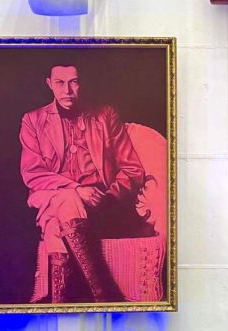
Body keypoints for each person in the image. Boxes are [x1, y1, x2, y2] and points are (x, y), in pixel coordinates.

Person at [19, 63, 152, 303]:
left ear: (82, 83)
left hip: (97, 204)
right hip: (50, 194)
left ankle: (59, 305)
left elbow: (132, 169)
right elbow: (33, 173)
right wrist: (77, 190)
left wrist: (108, 198)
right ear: (49, 84)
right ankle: (103, 294)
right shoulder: (33, 120)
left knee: (54, 225)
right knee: (67, 198)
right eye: (60, 83)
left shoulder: (105, 115)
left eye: (74, 82)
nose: (67, 90)